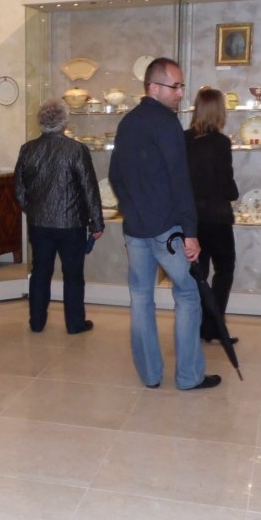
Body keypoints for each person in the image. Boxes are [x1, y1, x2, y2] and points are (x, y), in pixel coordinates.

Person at [108, 57, 221, 390]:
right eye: (176, 87)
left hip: (135, 228)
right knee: (188, 294)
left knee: (141, 298)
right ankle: (188, 376)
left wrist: (131, 208)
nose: (181, 93)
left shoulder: (128, 122)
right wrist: (190, 233)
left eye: (181, 86)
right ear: (154, 87)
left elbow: (115, 175)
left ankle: (150, 374)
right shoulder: (167, 123)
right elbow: (179, 181)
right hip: (167, 230)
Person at [14, 98, 104, 334]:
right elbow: (89, 188)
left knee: (40, 272)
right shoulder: (77, 150)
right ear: (64, 121)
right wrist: (97, 222)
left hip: (39, 223)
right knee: (73, 275)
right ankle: (75, 323)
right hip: (71, 224)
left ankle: (37, 322)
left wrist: (32, 210)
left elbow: (19, 190)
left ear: (41, 121)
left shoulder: (27, 149)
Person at [184, 88, 239, 344]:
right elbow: (227, 185)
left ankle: (196, 324)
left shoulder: (183, 139)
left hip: (191, 218)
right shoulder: (221, 142)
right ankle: (214, 325)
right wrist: (233, 193)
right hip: (216, 218)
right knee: (224, 270)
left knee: (198, 273)